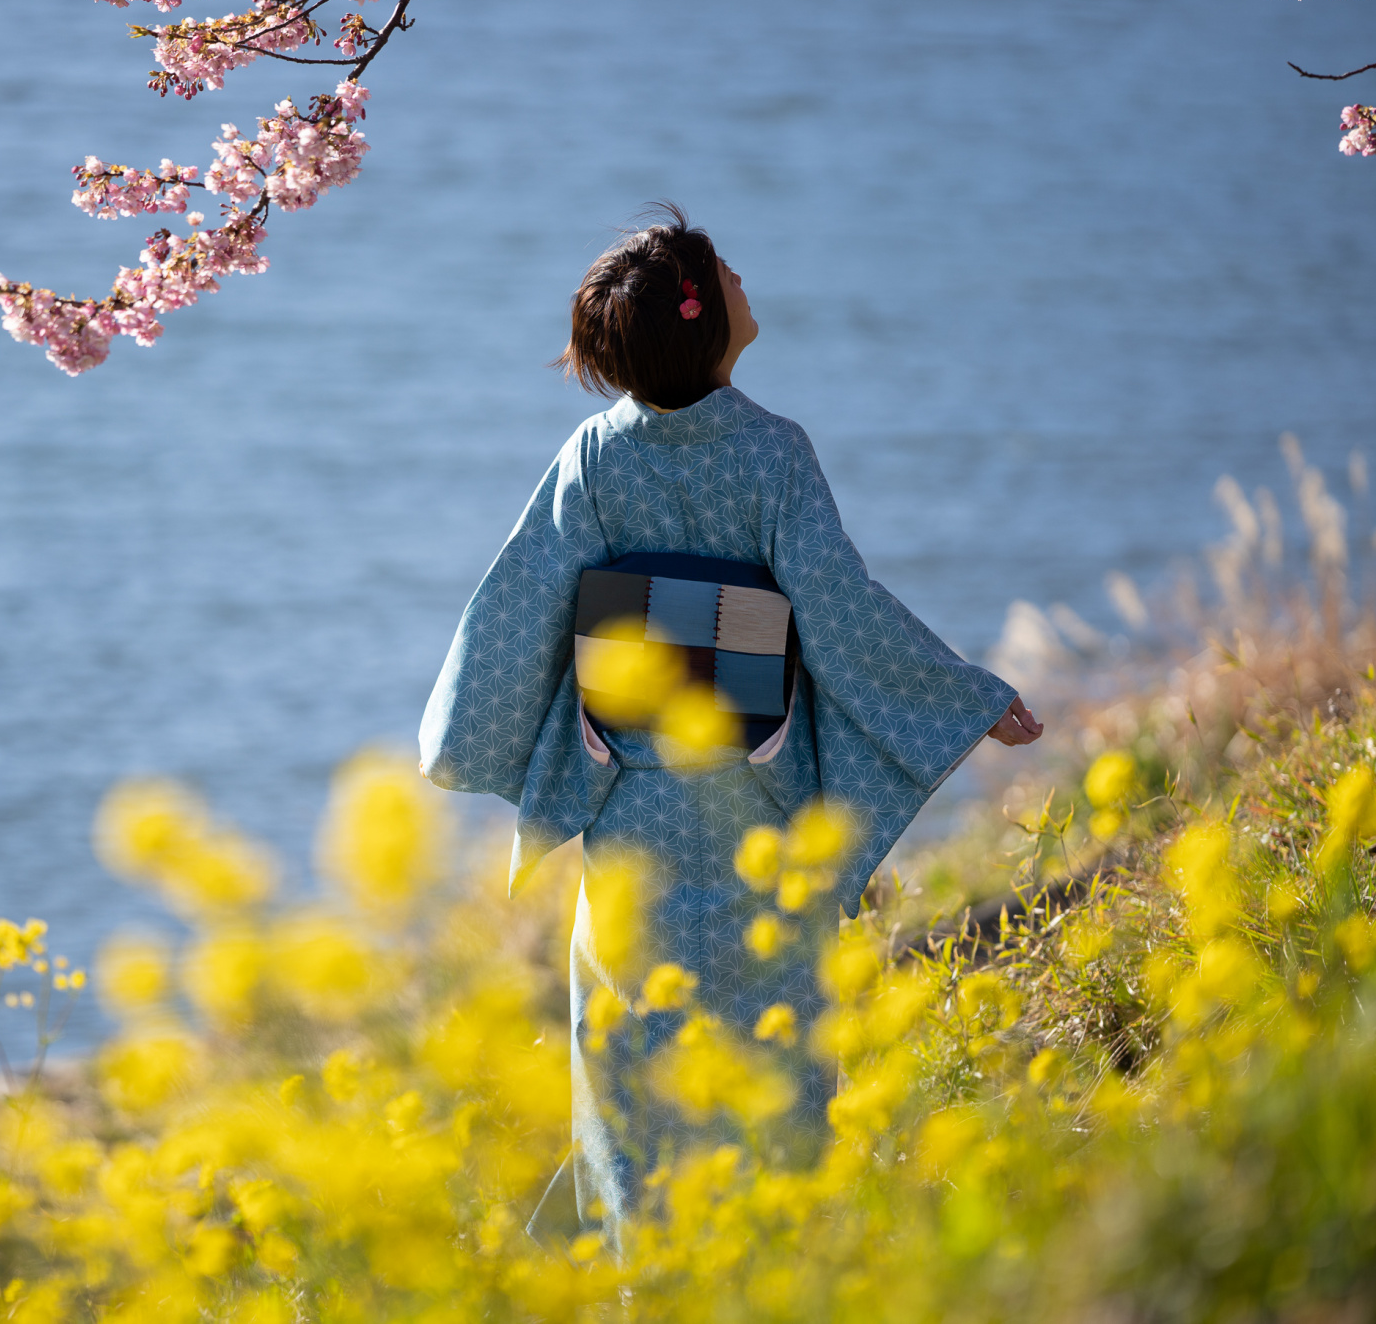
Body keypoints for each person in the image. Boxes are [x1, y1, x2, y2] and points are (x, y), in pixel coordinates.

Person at [417, 204, 1042, 1250]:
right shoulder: (772, 455)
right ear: (702, 320)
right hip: (758, 800)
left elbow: (523, 603)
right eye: (726, 270)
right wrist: (965, 695)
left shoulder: (593, 459)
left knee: (633, 1052)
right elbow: (839, 611)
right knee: (776, 1042)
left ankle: (642, 1273)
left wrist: (462, 735)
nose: (745, 277)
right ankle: (783, 1265)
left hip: (630, 799)